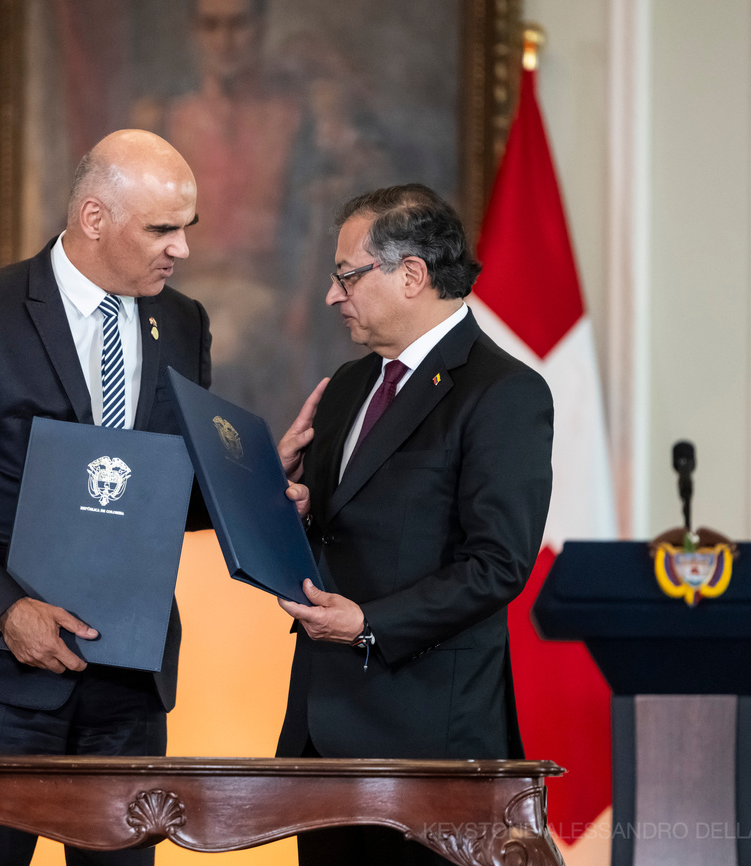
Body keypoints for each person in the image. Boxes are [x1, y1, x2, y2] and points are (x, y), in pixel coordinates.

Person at [0, 129, 210, 866]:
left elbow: (159, 494)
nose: (181, 249)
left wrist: (241, 487)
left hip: (128, 688)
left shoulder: (183, 323)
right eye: (162, 229)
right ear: (94, 218)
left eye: (187, 228)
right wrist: (7, 612)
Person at [275, 183, 554, 865]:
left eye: (346, 275)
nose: (333, 296)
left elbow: (497, 566)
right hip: (322, 732)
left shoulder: (503, 391)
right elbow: (338, 526)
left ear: (411, 274)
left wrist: (368, 623)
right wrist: (291, 505)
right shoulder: (345, 386)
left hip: (428, 743)